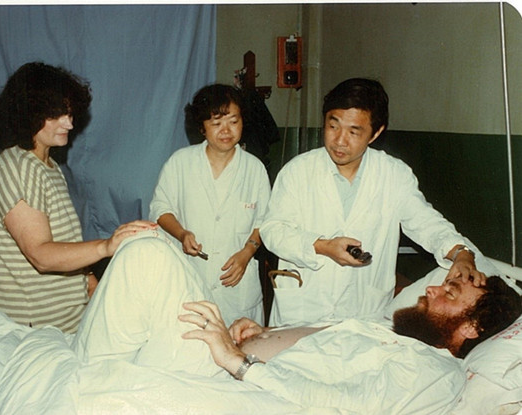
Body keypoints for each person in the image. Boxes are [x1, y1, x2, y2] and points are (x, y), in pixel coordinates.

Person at [73, 232, 521, 413]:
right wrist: (260, 333)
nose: (432, 289)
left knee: (148, 252)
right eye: (443, 284)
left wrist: (239, 363)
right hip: (229, 359)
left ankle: (75, 382)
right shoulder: (388, 331)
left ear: (471, 329)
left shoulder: (433, 370)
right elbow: (318, 346)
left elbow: (343, 405)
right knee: (151, 250)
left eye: (450, 294)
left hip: (232, 383)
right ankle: (82, 375)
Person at [259, 77, 486, 326]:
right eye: (333, 126)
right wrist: (321, 246)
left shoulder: (393, 174)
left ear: (375, 133)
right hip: (303, 309)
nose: (340, 140)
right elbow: (273, 230)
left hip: (364, 311)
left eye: (353, 132)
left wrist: (460, 252)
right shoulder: (298, 171)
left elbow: (425, 222)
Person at [0, 62, 156, 333]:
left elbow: (60, 242)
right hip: (30, 330)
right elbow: (41, 254)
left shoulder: (48, 167)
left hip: (62, 325)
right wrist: (106, 246)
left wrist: (87, 277)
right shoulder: (17, 167)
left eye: (70, 113)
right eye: (57, 114)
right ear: (28, 113)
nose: (69, 123)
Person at [149, 84, 271, 325]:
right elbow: (160, 209)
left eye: (233, 121)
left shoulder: (254, 168)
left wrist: (247, 253)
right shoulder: (180, 162)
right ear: (202, 127)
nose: (226, 130)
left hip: (238, 290)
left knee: (241, 342)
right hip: (190, 279)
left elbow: (265, 221)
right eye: (216, 123)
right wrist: (182, 234)